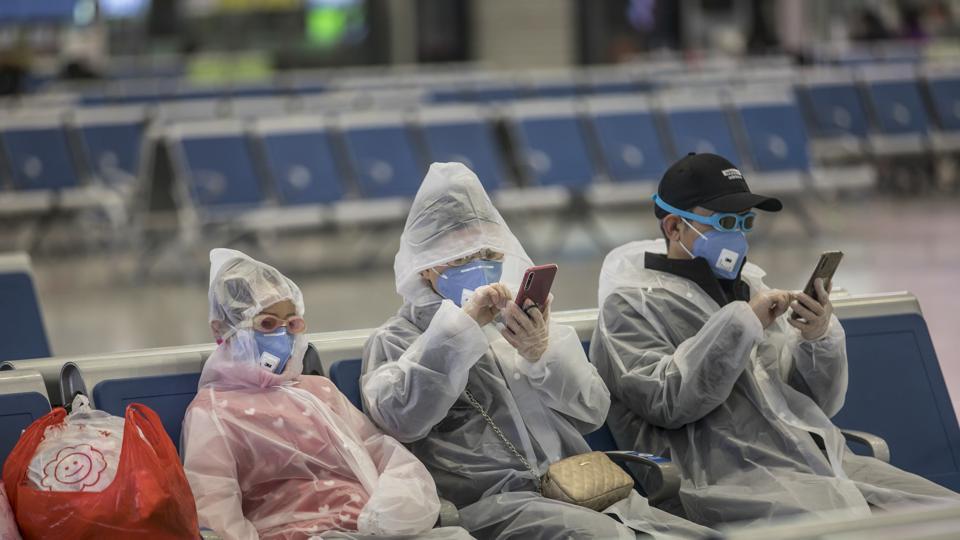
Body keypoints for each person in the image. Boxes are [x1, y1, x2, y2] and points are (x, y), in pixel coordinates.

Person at [589, 152, 960, 527]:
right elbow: (667, 401)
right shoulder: (631, 305)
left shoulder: (748, 287)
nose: (738, 234)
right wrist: (742, 322)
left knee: (942, 511)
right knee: (848, 527)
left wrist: (815, 340)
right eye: (726, 221)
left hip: (813, 461)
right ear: (673, 227)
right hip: (727, 479)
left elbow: (808, 403)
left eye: (745, 221)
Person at [361, 162, 713, 539]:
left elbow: (592, 410)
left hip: (581, 489)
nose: (479, 268)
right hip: (491, 506)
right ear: (424, 268)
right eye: (461, 258)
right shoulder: (397, 339)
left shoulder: (518, 318)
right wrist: (459, 331)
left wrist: (543, 355)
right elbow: (400, 419)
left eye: (488, 255)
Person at [181, 248, 470, 540]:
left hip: (371, 527)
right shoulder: (213, 413)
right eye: (267, 324)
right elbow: (215, 512)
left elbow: (384, 455)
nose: (283, 335)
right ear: (223, 329)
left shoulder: (319, 391)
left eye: (292, 323)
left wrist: (391, 512)